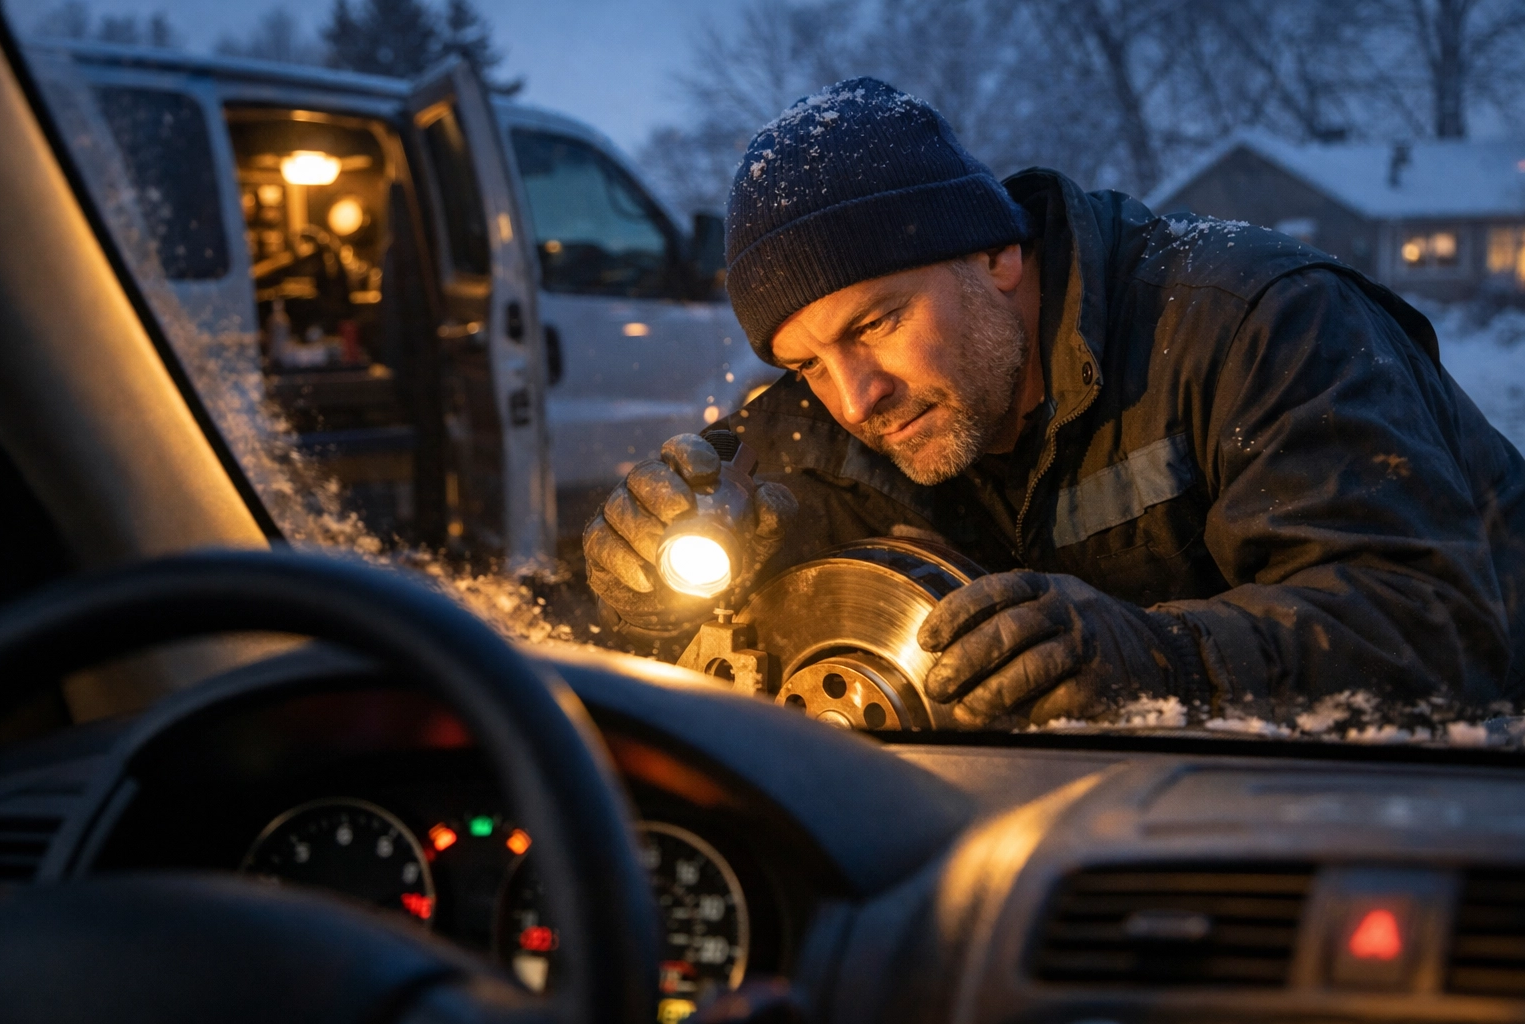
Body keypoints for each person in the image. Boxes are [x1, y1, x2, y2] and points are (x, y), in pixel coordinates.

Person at [584, 78, 1525, 728]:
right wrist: (640, 586)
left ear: (996, 253)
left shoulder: (1256, 325)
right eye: (808, 363)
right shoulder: (816, 417)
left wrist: (1159, 662)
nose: (856, 398)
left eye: (874, 324)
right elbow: (601, 620)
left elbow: (1430, 628)